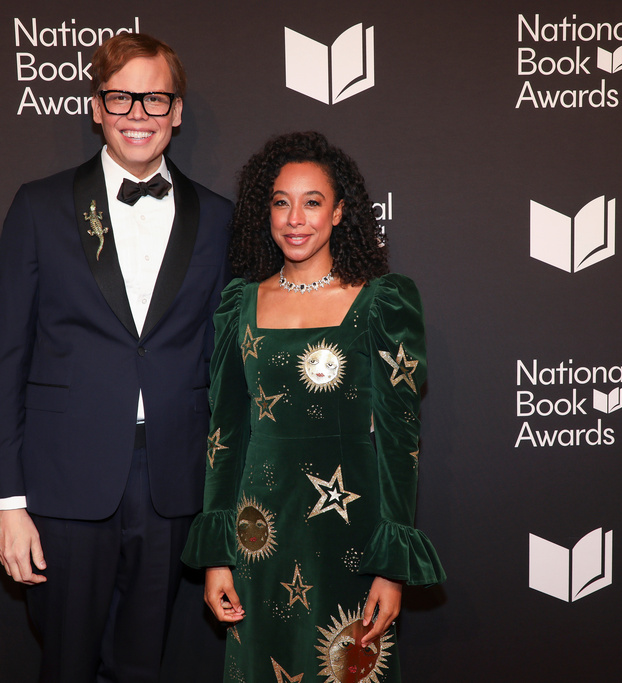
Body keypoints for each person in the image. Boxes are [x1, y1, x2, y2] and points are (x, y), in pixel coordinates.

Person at [0, 33, 232, 682]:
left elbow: (229, 362)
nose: (137, 113)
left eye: (154, 98)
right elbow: (7, 355)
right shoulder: (39, 206)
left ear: (176, 111)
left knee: (143, 664)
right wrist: (7, 502)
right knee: (66, 663)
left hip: (172, 479)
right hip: (63, 479)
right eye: (120, 97)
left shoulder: (221, 219)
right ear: (96, 107)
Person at [182, 131, 445, 683]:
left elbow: (400, 439)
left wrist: (390, 567)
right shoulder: (240, 304)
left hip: (350, 537)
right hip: (261, 535)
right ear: (266, 211)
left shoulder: (382, 301)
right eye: (281, 202)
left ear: (340, 211)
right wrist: (217, 554)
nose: (295, 219)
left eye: (312, 202)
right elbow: (224, 434)